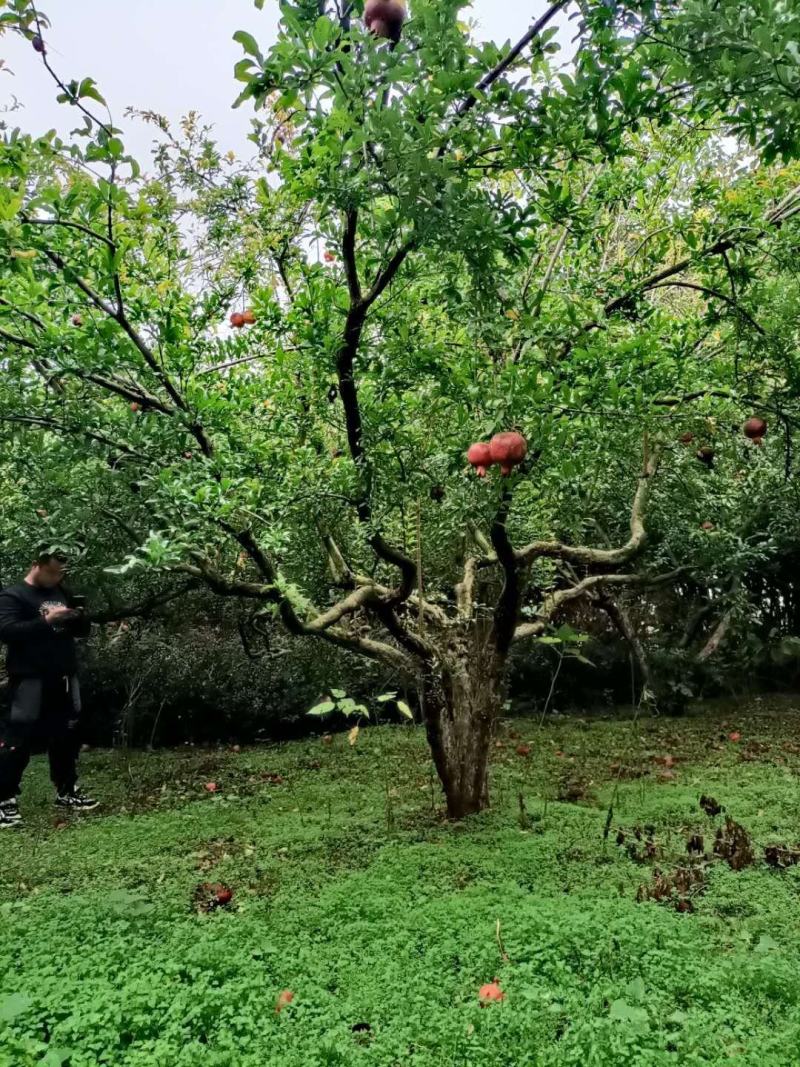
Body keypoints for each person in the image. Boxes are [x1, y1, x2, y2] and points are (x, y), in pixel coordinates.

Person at [0, 550, 97, 828]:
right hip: (30, 677)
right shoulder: (13, 596)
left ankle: (66, 791)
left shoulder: (61, 591)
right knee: (18, 737)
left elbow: (80, 632)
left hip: (63, 676)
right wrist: (47, 621)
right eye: (52, 572)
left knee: (65, 735)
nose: (57, 577)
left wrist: (79, 617)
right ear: (36, 566)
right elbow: (7, 631)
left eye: (60, 573)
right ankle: (5, 800)